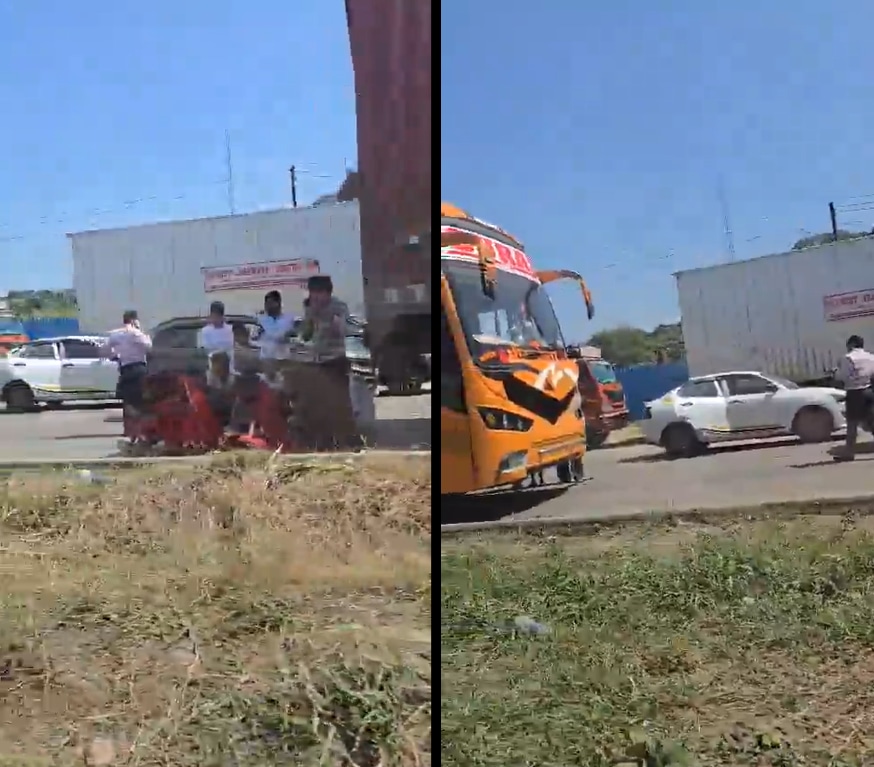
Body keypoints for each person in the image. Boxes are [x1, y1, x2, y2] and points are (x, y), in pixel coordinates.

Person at [299, 275, 358, 449]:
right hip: (318, 362)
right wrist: (309, 318)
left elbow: (345, 329)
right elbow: (306, 335)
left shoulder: (338, 307)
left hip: (336, 360)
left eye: (318, 293)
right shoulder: (310, 308)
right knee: (319, 404)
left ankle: (348, 441)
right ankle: (324, 441)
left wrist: (333, 323)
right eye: (312, 293)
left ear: (327, 293)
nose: (315, 297)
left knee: (340, 403)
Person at [101, 310, 152, 443]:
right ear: (134, 320)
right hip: (138, 368)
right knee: (141, 400)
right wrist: (142, 332)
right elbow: (149, 346)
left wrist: (115, 357)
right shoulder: (135, 332)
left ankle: (129, 430)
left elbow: (104, 349)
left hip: (125, 368)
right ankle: (141, 431)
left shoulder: (115, 334)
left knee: (128, 400)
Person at [834, 334, 874, 461]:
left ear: (851, 344)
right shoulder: (871, 357)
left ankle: (849, 453)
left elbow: (844, 377)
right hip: (868, 391)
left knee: (852, 424)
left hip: (854, 392)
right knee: (871, 422)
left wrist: (835, 373)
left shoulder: (847, 358)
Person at [253, 290, 296, 362]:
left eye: (270, 303)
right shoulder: (261, 320)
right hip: (265, 360)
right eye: (266, 303)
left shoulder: (289, 319)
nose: (267, 306)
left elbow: (292, 338)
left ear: (278, 303)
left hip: (282, 360)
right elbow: (255, 339)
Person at [197, 301, 235, 368]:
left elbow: (233, 348)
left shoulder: (230, 330)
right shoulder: (205, 331)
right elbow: (203, 350)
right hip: (212, 366)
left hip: (229, 367)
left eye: (217, 317)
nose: (215, 319)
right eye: (214, 316)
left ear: (222, 316)